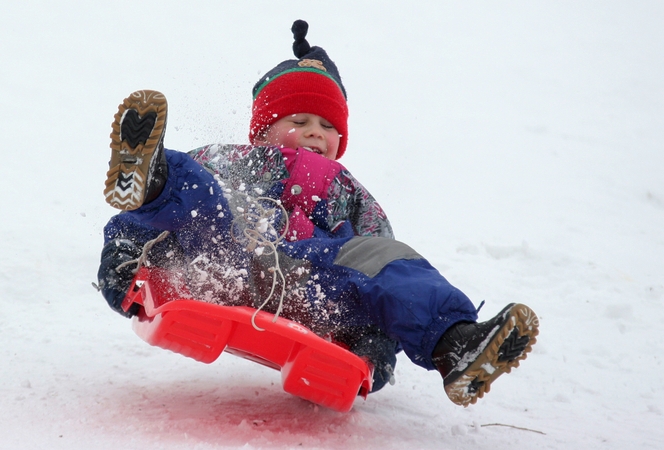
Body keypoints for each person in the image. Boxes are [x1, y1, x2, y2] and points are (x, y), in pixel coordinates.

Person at [97, 20, 539, 407]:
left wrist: (376, 342)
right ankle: (149, 177)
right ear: (263, 130)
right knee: (199, 192)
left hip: (312, 286)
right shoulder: (232, 158)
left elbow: (382, 265)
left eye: (328, 126)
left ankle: (455, 345)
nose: (315, 132)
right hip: (225, 260)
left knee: (384, 256)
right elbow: (182, 215)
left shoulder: (349, 190)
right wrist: (125, 253)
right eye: (300, 120)